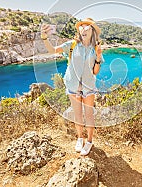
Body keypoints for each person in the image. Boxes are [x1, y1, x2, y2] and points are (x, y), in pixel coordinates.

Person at [41, 18, 103, 156]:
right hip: (73, 86)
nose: (84, 28)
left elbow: (95, 71)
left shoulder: (95, 48)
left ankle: (89, 141)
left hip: (88, 88)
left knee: (89, 115)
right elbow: (52, 50)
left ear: (93, 31)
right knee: (78, 115)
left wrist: (98, 56)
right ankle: (80, 138)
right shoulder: (72, 45)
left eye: (87, 26)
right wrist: (44, 38)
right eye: (81, 26)